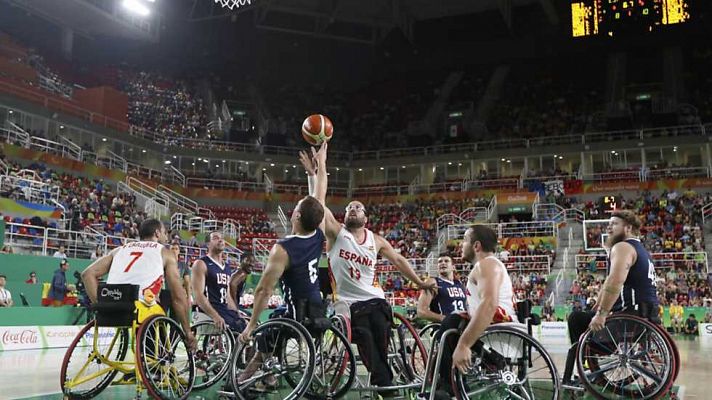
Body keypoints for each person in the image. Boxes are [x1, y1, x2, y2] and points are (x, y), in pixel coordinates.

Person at [302, 143, 435, 392]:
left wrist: (419, 282)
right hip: (349, 304)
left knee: (381, 328)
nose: (353, 209)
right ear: (346, 216)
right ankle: (384, 382)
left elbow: (398, 260)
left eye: (358, 207)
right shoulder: (336, 233)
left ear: (366, 217)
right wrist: (318, 170)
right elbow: (317, 204)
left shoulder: (377, 240)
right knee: (366, 333)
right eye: (349, 207)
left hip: (376, 300)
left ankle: (384, 378)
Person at [562, 210, 661, 385]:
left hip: (630, 316)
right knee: (585, 315)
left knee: (576, 318)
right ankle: (590, 367)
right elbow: (609, 282)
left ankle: (581, 368)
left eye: (614, 223)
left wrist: (601, 313)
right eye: (608, 224)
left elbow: (615, 282)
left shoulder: (623, 247)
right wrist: (596, 308)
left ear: (628, 228)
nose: (609, 227)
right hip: (648, 314)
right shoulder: (641, 250)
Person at [237, 196, 326, 389]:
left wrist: (251, 326)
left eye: (296, 206)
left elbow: (263, 290)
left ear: (297, 215)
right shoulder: (319, 235)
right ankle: (260, 378)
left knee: (264, 334)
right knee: (273, 330)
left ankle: (250, 377)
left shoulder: (283, 248)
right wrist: (316, 171)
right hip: (318, 309)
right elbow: (320, 197)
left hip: (298, 313)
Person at [80, 218, 195, 350]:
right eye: (164, 233)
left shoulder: (119, 249)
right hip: (139, 309)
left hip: (110, 306)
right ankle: (156, 362)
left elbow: (87, 274)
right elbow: (178, 297)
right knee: (156, 309)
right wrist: (187, 332)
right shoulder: (165, 253)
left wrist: (101, 305)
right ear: (157, 233)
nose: (166, 237)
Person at [436, 225, 518, 397]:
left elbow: (489, 305)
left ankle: (448, 388)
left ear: (476, 246)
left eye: (465, 240)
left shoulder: (486, 264)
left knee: (450, 323)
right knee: (451, 321)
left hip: (499, 333)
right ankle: (450, 385)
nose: (461, 245)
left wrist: (464, 344)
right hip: (499, 330)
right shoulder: (488, 265)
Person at [191, 232, 244, 332]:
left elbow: (227, 295)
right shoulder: (201, 263)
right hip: (207, 311)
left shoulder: (227, 267)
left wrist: (236, 312)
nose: (220, 240)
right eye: (215, 238)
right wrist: (215, 316)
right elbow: (198, 295)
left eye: (222, 238)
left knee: (248, 323)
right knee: (238, 327)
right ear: (208, 244)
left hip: (223, 309)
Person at [417, 254, 467, 322]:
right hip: (443, 328)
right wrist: (444, 318)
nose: (443, 263)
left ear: (453, 267)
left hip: (461, 327)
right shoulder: (433, 282)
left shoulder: (460, 284)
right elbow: (421, 311)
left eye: (446, 261)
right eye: (440, 262)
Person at [159, 241, 192, 316]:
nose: (174, 250)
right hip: (165, 293)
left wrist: (189, 297)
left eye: (176, 249)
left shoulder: (183, 265)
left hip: (178, 293)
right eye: (172, 248)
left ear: (179, 251)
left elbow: (187, 282)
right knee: (161, 317)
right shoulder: (163, 264)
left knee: (176, 320)